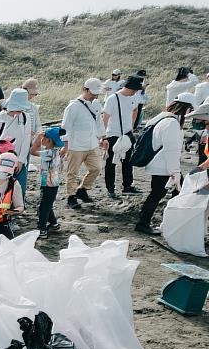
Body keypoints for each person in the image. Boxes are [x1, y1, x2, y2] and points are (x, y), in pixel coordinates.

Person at [136, 93, 196, 235]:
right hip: (164, 167)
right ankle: (144, 223)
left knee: (168, 193)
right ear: (185, 108)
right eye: (191, 109)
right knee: (158, 194)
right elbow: (171, 150)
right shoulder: (171, 123)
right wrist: (174, 171)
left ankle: (162, 222)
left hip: (161, 165)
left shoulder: (164, 119)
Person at [61, 78, 106, 210]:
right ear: (84, 89)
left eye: (97, 93)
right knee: (72, 172)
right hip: (76, 145)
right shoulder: (73, 106)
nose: (95, 96)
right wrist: (66, 145)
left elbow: (99, 122)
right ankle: (70, 196)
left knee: (96, 168)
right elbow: (65, 127)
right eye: (93, 93)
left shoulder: (97, 104)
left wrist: (104, 137)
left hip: (92, 143)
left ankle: (83, 189)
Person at [0, 89, 34, 196]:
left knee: (19, 190)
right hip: (2, 160)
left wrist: (21, 160)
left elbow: (26, 140)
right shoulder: (0, 118)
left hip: (18, 160)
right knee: (1, 190)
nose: (21, 110)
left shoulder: (25, 117)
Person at [103, 75, 145, 198]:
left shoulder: (133, 98)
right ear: (131, 88)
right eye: (136, 90)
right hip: (113, 135)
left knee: (128, 162)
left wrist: (131, 127)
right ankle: (110, 189)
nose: (136, 92)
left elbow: (135, 110)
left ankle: (127, 186)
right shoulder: (113, 98)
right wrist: (103, 136)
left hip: (127, 134)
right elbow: (105, 117)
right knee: (111, 163)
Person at [30, 127, 66, 238]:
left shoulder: (49, 153)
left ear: (48, 140)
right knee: (48, 204)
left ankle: (42, 229)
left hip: (48, 183)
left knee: (43, 207)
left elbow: (32, 151)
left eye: (43, 137)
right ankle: (54, 224)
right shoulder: (57, 152)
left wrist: (37, 138)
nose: (42, 139)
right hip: (54, 183)